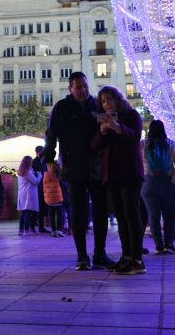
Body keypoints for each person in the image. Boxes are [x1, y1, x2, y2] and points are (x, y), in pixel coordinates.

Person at [44, 72, 116, 271]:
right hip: (73, 166)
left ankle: (100, 253)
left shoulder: (96, 105)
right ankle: (82, 255)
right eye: (78, 87)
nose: (83, 90)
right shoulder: (62, 108)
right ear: (71, 89)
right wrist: (49, 159)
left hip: (96, 165)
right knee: (79, 211)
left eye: (85, 86)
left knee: (100, 210)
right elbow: (51, 134)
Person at [92, 86, 146, 274]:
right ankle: (126, 256)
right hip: (111, 174)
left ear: (118, 99)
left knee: (131, 214)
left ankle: (137, 260)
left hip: (130, 172)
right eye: (103, 101)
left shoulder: (131, 115)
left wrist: (117, 128)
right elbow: (94, 145)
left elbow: (135, 136)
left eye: (109, 99)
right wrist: (103, 132)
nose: (106, 104)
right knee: (121, 216)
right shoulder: (104, 120)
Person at [141, 119, 175, 255]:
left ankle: (158, 245)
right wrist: (173, 181)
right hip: (167, 182)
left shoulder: (143, 144)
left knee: (153, 215)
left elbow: (138, 162)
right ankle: (169, 244)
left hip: (148, 183)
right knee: (169, 215)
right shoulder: (172, 144)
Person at [17, 155, 41, 235]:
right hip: (29, 194)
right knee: (28, 212)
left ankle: (21, 230)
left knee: (24, 212)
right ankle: (26, 230)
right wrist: (39, 175)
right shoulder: (28, 172)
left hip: (23, 194)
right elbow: (36, 182)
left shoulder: (21, 171)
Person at [43, 162, 66, 236]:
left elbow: (44, 185)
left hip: (49, 198)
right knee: (60, 214)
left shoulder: (46, 174)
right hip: (58, 197)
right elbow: (62, 184)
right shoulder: (58, 174)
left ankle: (53, 231)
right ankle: (59, 230)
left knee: (51, 215)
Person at [32, 145, 49, 233]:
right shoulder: (34, 162)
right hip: (37, 187)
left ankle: (42, 226)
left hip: (46, 186)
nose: (41, 153)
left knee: (44, 208)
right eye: (39, 152)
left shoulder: (47, 161)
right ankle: (36, 225)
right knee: (38, 207)